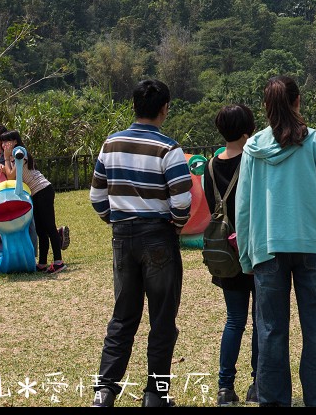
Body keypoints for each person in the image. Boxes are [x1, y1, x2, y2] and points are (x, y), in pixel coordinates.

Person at [235, 75, 316, 407]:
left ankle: (273, 401)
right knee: (315, 333)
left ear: (266, 108)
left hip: (267, 249)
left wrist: (245, 257)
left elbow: (243, 207)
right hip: (311, 247)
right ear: (298, 102)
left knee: (270, 333)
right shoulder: (315, 144)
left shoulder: (253, 149)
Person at [89, 79, 193, 408]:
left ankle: (105, 391)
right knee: (162, 319)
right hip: (159, 237)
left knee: (123, 317)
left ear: (133, 107)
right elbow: (182, 203)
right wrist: (173, 228)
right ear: (165, 108)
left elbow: (97, 198)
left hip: (123, 237)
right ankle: (155, 394)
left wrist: (117, 221)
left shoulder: (111, 144)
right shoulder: (169, 148)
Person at [206, 104, 260, 406]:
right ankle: (257, 383)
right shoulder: (254, 160)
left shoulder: (211, 166)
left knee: (234, 320)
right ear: (247, 129)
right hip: (253, 248)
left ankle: (225, 387)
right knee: (259, 320)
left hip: (225, 253)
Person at [0, 129, 65, 273]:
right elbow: (11, 174)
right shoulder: (13, 156)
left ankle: (59, 262)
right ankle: (42, 263)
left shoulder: (19, 153)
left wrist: (5, 160)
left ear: (15, 141)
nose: (4, 145)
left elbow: (11, 177)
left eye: (7, 141)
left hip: (43, 190)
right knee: (40, 230)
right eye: (3, 142)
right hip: (35, 193)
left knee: (49, 227)